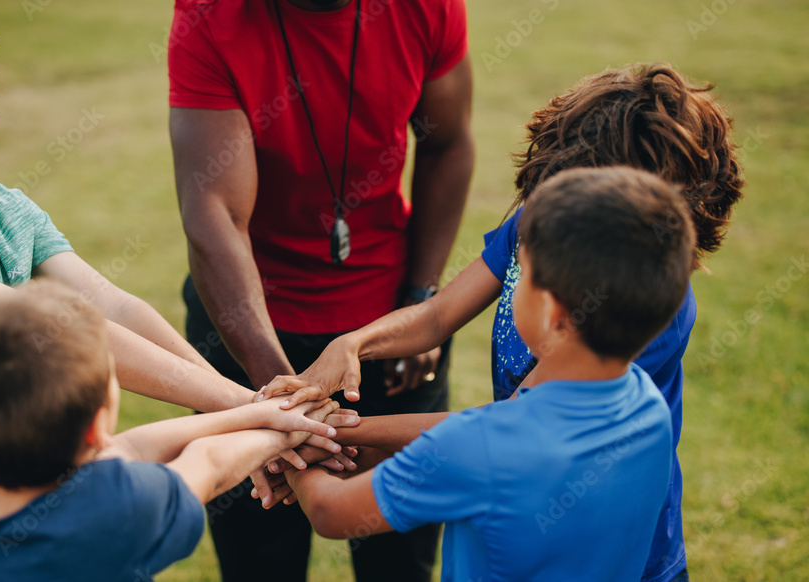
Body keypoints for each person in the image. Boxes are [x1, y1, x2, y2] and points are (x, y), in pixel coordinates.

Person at [0, 2, 341, 579]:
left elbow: (114, 306)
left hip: (45, 507)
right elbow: (60, 336)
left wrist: (249, 409)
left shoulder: (6, 210)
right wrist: (256, 411)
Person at [261, 62, 744, 582]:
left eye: (525, 270)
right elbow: (439, 313)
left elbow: (505, 430)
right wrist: (352, 345)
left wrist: (311, 437)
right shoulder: (557, 228)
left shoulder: (629, 307)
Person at [167, 0, 474, 578]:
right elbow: (213, 212)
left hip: (390, 328)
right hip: (248, 332)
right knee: (260, 559)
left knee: (401, 560)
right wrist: (283, 398)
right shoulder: (211, 13)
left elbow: (447, 142)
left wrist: (420, 300)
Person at [284, 166, 695, 582]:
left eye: (521, 272)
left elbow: (330, 511)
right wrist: (343, 431)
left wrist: (294, 452)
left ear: (552, 313)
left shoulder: (477, 447)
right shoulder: (650, 408)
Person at [0, 280, 352, 581]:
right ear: (94, 426)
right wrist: (290, 431)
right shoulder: (121, 507)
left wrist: (261, 413)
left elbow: (123, 449)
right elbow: (211, 463)